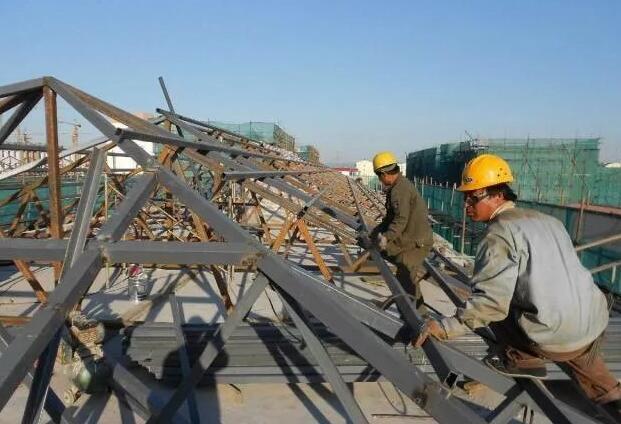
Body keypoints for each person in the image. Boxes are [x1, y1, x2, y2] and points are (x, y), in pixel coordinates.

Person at [413, 154, 621, 413]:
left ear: (498, 195)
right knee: (597, 380)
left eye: (473, 198)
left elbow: (490, 304)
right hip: (591, 322)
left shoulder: (498, 234)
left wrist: (445, 327)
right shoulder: (549, 221)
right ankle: (614, 402)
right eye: (465, 197)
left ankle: (522, 359)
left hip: (551, 333)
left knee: (496, 303)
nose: (466, 205)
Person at [366, 151, 433, 311]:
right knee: (404, 275)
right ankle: (412, 312)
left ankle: (418, 316)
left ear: (384, 174)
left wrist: (386, 237)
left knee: (405, 276)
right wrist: (375, 233)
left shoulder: (399, 190)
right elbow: (391, 218)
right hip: (411, 238)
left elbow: (400, 220)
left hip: (417, 243)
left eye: (379, 176)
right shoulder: (398, 186)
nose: (380, 180)